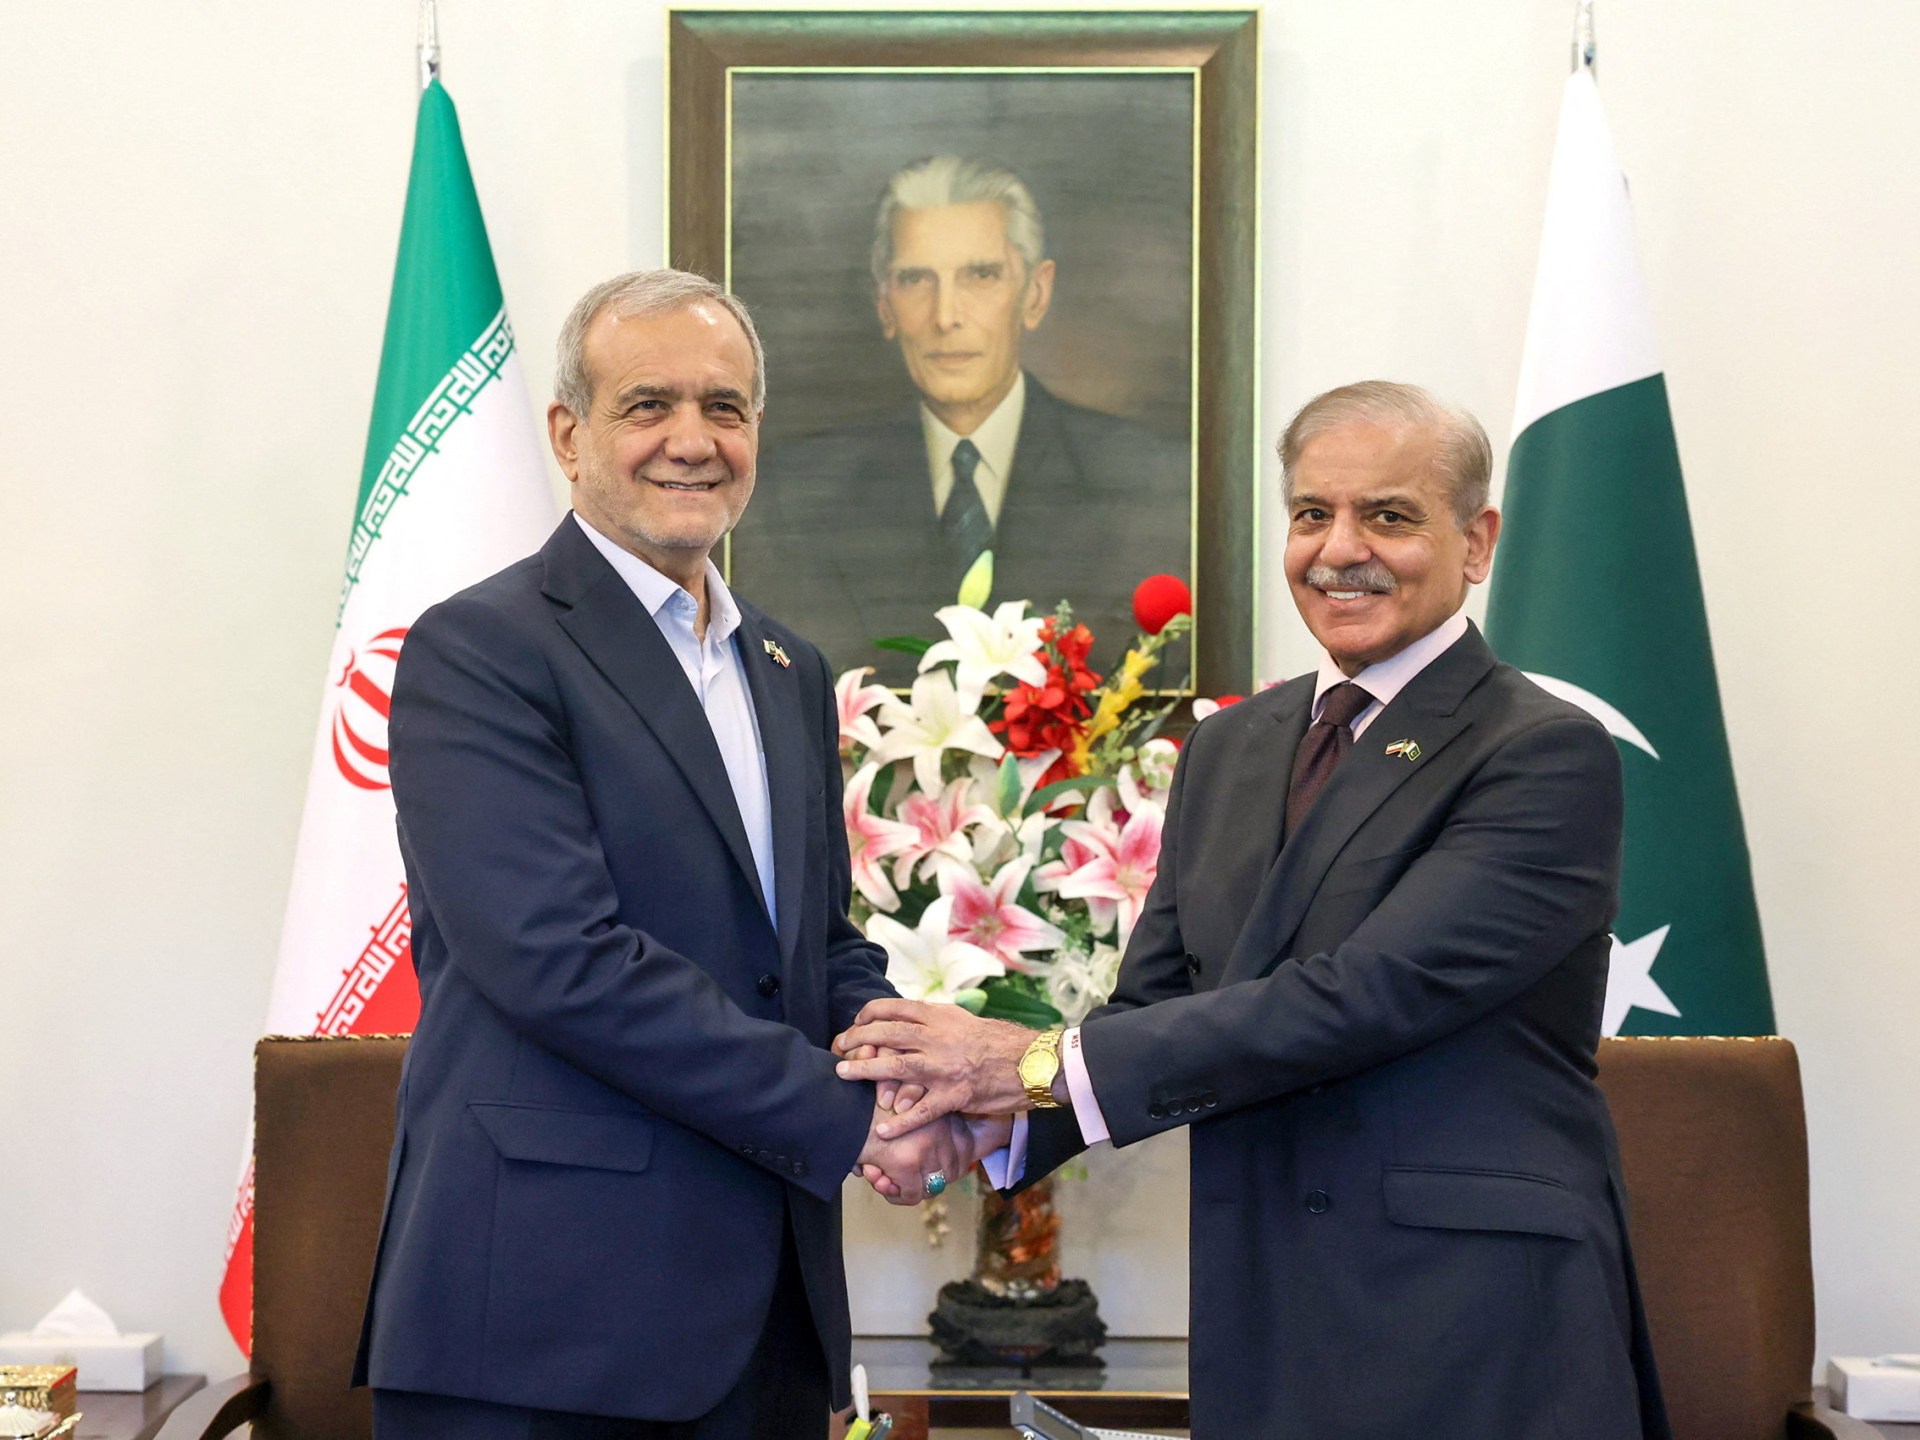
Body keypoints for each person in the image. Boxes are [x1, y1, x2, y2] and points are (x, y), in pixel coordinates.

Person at [834, 382, 1673, 1438]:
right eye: (1313, 513)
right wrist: (979, 1126)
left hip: (1472, 1320)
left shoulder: (1541, 752)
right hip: (1263, 1305)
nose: (1340, 549)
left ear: (1477, 541)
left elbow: (1364, 995)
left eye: (1390, 515)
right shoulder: (1232, 747)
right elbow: (1153, 1004)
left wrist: (1029, 1064)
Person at [352, 270, 987, 1440]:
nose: (692, 441)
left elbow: (814, 948)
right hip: (544, 1331)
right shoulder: (480, 651)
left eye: (724, 408)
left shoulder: (787, 669)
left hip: (767, 1322)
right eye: (648, 404)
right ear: (568, 434)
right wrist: (850, 1117)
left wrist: (919, 1066)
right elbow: (559, 960)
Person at [733, 155, 1190, 681]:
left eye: (981, 275)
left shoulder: (1148, 480)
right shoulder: (798, 493)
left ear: (1035, 294)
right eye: (915, 279)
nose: (946, 316)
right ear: (885, 305)